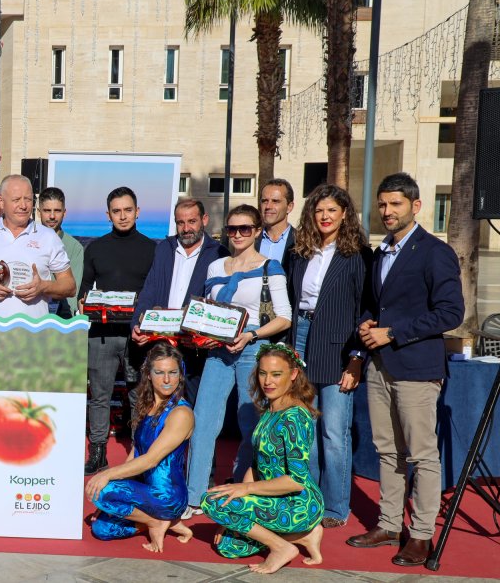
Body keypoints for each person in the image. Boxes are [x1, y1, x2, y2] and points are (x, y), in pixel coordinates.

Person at [347, 172, 464, 567]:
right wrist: (367, 325)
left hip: (416, 366)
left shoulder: (434, 251)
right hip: (381, 366)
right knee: (387, 451)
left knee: (421, 455)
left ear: (416, 206)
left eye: (395, 204)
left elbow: (451, 312)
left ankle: (421, 534)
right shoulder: (381, 252)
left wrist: (392, 333)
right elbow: (377, 306)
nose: (387, 211)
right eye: (382, 204)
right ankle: (389, 524)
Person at [185, 204, 292, 518]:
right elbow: (206, 310)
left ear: (258, 230)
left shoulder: (270, 266)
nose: (238, 235)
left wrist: (251, 336)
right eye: (232, 229)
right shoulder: (216, 267)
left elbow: (284, 318)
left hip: (251, 348)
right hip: (217, 350)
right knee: (203, 422)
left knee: (251, 425)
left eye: (245, 228)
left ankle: (241, 492)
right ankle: (195, 498)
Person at [287, 184, 371, 529]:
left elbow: (366, 309)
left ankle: (335, 507)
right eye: (319, 211)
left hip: (339, 346)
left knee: (334, 431)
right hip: (301, 339)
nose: (325, 217)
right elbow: (292, 303)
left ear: (345, 214)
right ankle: (310, 499)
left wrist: (356, 357)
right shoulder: (299, 252)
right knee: (305, 430)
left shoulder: (359, 255)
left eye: (332, 211)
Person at [202, 344, 324, 574]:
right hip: (271, 498)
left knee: (210, 501)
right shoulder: (270, 410)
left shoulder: (294, 418)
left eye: (277, 374)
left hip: (298, 503)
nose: (268, 381)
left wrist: (245, 490)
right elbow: (256, 465)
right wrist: (228, 515)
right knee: (229, 547)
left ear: (294, 374)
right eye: (263, 373)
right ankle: (304, 536)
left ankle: (281, 547)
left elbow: (296, 482)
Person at [85, 343, 195, 552]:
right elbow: (135, 453)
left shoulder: (181, 413)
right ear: (149, 375)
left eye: (172, 373)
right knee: (101, 529)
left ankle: (155, 522)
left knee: (101, 490)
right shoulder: (147, 407)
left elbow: (150, 459)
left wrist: (108, 477)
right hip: (146, 492)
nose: (166, 380)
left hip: (167, 496)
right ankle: (160, 522)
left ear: (180, 375)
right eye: (159, 372)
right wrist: (117, 490)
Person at [77, 187, 157, 473]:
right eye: (116, 211)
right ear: (108, 214)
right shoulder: (96, 248)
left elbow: (156, 292)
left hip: (138, 335)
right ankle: (98, 452)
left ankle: (139, 452)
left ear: (137, 211)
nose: (122, 216)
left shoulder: (152, 248)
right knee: (99, 395)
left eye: (127, 210)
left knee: (139, 395)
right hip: (101, 333)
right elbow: (83, 291)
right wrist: (84, 301)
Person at [132, 198, 229, 401]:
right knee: (158, 405)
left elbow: (221, 303)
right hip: (162, 344)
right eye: (180, 223)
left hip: (195, 349)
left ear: (204, 219)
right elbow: (149, 290)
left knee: (193, 405)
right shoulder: (164, 248)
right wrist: (137, 324)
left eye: (192, 221)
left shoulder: (220, 254)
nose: (186, 228)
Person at [0, 175, 76, 319]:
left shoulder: (48, 237)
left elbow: (70, 286)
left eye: (28, 199)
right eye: (16, 200)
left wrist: (43, 287)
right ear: (1, 202)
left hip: (32, 335)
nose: (23, 206)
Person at [39, 187, 84, 317]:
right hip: (31, 315)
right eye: (47, 211)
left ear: (64, 212)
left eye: (57, 211)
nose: (52, 216)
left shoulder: (75, 247)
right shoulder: (26, 240)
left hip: (61, 317)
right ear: (38, 212)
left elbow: (71, 292)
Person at [258, 179, 296, 274]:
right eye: (264, 201)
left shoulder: (302, 242)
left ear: (289, 207)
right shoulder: (250, 239)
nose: (268, 206)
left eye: (275, 201)